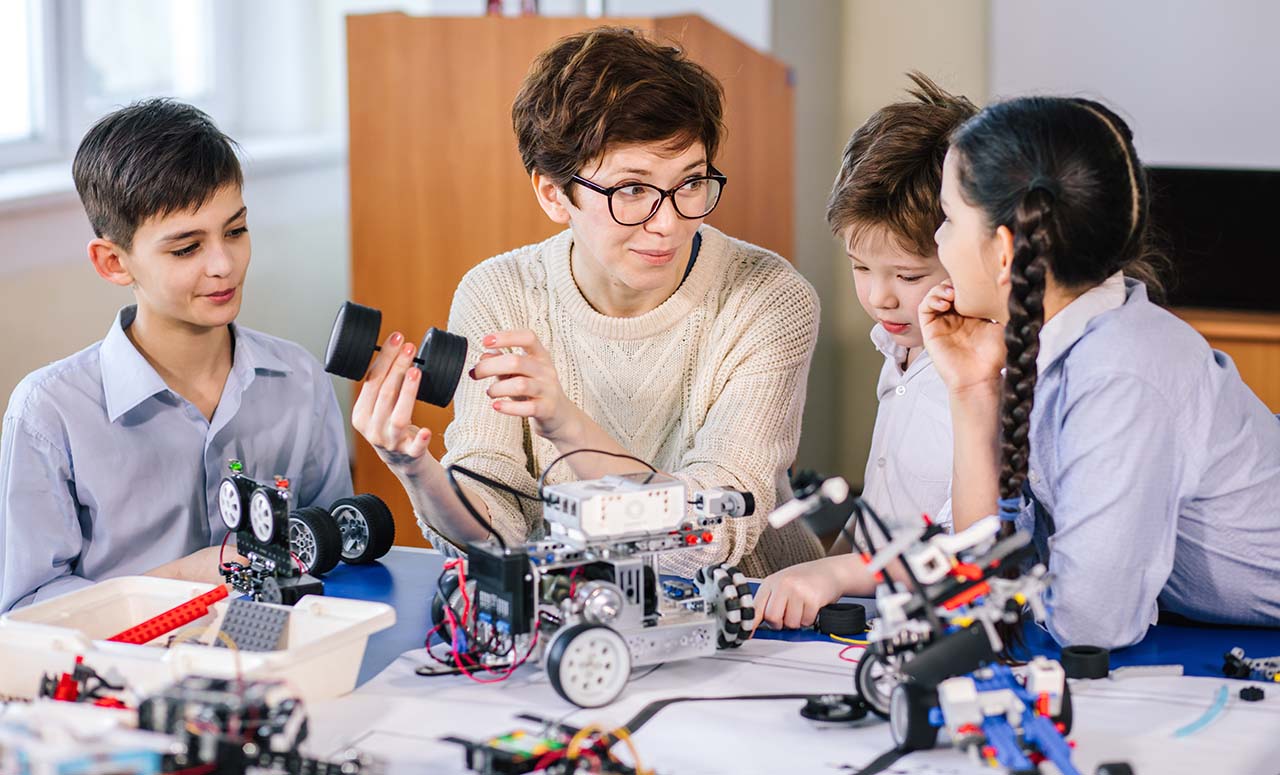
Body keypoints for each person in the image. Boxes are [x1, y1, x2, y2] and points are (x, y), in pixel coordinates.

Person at [351, 27, 823, 577]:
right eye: (632, 189)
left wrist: (566, 426)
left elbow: (708, 538)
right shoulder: (500, 293)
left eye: (691, 182)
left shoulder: (769, 298)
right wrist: (415, 468)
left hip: (757, 625)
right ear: (554, 194)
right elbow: (495, 529)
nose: (669, 224)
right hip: (574, 617)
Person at [923, 94, 1280, 648]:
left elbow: (1090, 622)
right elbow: (982, 575)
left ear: (1004, 251)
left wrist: (1016, 587)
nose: (939, 241)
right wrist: (972, 392)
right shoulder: (1056, 349)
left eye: (947, 218)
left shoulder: (1121, 371)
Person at [0, 100, 352, 611]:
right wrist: (180, 579)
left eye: (235, 231)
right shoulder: (49, 412)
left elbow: (330, 558)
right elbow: (27, 608)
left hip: (276, 660)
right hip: (122, 675)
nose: (223, 265)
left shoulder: (299, 379)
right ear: (114, 262)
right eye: (186, 248)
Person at [754, 75, 977, 629]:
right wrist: (830, 570)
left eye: (907, 274)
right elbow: (885, 504)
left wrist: (839, 576)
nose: (880, 297)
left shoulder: (979, 379)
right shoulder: (896, 348)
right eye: (860, 268)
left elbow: (966, 545)